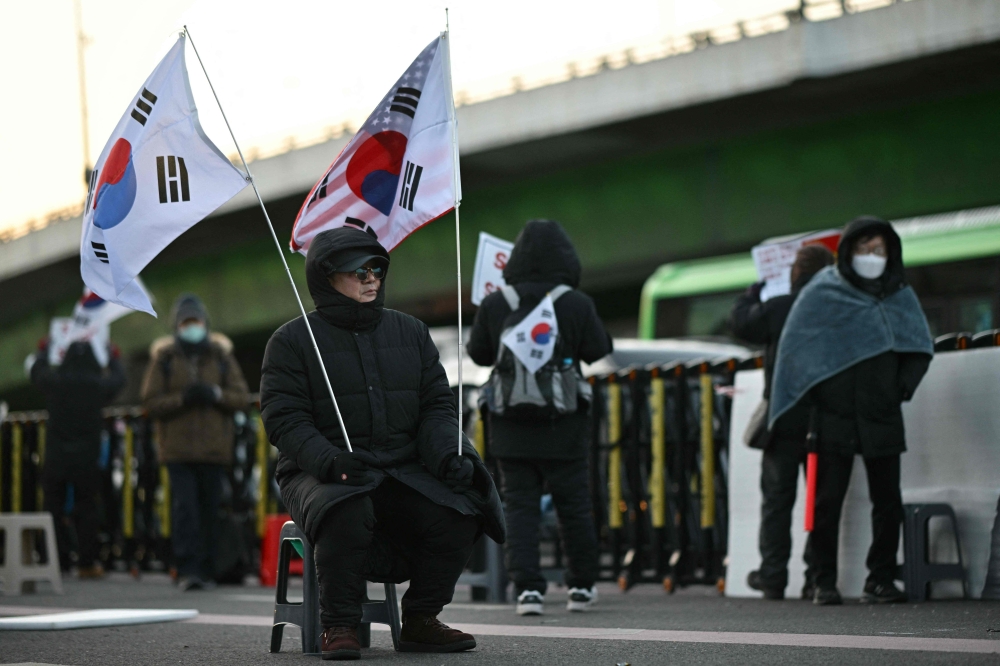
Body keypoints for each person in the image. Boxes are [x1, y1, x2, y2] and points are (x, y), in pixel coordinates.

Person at [260, 227, 505, 660]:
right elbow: (285, 421)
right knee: (347, 507)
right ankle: (338, 624)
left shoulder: (410, 332)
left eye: (377, 268)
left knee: (463, 505)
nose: (371, 277)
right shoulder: (291, 341)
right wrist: (330, 461)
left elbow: (435, 406)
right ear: (327, 276)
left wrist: (448, 455)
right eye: (359, 271)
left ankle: (421, 619)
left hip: (400, 467)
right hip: (316, 471)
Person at [769, 216, 933, 605]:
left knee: (887, 502)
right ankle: (822, 579)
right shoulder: (823, 291)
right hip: (832, 416)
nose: (871, 257)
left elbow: (918, 348)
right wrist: (815, 399)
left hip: (881, 413)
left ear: (891, 253)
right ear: (847, 252)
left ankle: (880, 578)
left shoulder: (899, 294)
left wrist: (899, 390)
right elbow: (797, 349)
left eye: (878, 250)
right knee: (827, 503)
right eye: (864, 250)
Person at [467, 219, 613, 616]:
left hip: (510, 426)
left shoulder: (498, 303)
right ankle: (581, 586)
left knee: (519, 507)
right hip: (564, 424)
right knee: (575, 506)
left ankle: (528, 589)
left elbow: (479, 355)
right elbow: (598, 349)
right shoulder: (575, 302)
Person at [729, 245, 834, 600]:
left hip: (783, 418)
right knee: (820, 502)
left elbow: (742, 323)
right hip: (825, 419)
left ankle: (773, 576)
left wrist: (753, 292)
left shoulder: (779, 307)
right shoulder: (835, 308)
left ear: (795, 273)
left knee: (777, 501)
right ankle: (816, 577)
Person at [140, 293, 249, 591]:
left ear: (205, 323)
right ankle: (188, 568)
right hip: (178, 451)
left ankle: (210, 567)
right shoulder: (165, 358)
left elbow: (241, 397)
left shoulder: (221, 356)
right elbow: (151, 401)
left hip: (215, 451)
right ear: (177, 325)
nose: (192, 327)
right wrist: (183, 399)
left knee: (210, 510)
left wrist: (215, 395)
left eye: (196, 321)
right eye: (186, 322)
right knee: (185, 510)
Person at [31, 339, 125, 576]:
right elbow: (119, 379)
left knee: (53, 508)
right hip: (87, 458)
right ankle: (86, 561)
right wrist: (113, 356)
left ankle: (55, 559)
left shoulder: (56, 383)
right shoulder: (97, 386)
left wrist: (44, 351)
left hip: (57, 456)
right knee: (87, 509)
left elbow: (37, 372)